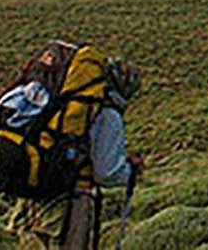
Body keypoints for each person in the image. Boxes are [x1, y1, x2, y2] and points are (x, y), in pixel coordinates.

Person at [9, 58, 143, 250]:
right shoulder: (106, 113)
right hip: (70, 202)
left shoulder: (61, 101)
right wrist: (130, 172)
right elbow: (106, 172)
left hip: (33, 194)